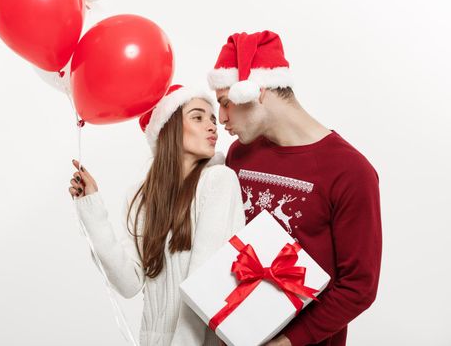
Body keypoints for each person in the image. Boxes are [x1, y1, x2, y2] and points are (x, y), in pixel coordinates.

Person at [207, 31, 382, 346]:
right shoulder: (239, 154)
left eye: (225, 103)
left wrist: (289, 342)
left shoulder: (351, 172)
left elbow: (359, 286)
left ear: (256, 92)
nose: (220, 119)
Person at [68, 85, 245, 346]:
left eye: (211, 118)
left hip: (200, 340)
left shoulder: (219, 181)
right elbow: (128, 282)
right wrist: (91, 207)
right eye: (198, 117)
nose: (212, 126)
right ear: (169, 129)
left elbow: (205, 285)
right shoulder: (141, 197)